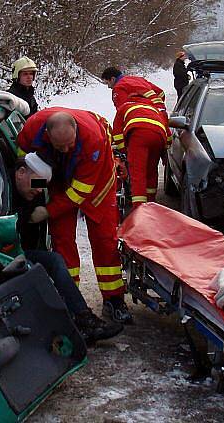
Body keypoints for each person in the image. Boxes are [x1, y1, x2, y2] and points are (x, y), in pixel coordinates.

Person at [17, 107, 133, 323]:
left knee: (104, 240)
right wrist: (35, 185)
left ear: (76, 131)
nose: (66, 149)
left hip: (97, 183)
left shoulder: (93, 140)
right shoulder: (32, 128)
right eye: (59, 146)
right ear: (47, 135)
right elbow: (22, 163)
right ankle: (70, 301)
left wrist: (48, 210)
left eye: (70, 144)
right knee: (62, 241)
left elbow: (79, 192)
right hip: (58, 180)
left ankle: (114, 299)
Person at [12, 153, 123, 344]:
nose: (39, 190)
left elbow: (48, 194)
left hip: (23, 250)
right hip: (1, 252)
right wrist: (24, 217)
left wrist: (44, 210)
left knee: (55, 260)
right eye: (36, 183)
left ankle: (83, 318)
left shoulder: (35, 184)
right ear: (20, 172)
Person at [113, 96, 170, 207]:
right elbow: (168, 135)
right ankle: (151, 204)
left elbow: (117, 134)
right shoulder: (154, 109)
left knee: (138, 174)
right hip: (159, 137)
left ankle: (139, 209)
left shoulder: (125, 107)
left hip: (139, 134)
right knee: (151, 172)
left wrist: (124, 151)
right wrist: (164, 154)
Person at [100, 67, 167, 114]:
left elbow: (122, 111)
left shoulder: (118, 88)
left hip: (145, 117)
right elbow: (161, 93)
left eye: (107, 83)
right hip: (161, 113)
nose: (108, 87)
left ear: (112, 79)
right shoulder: (137, 79)